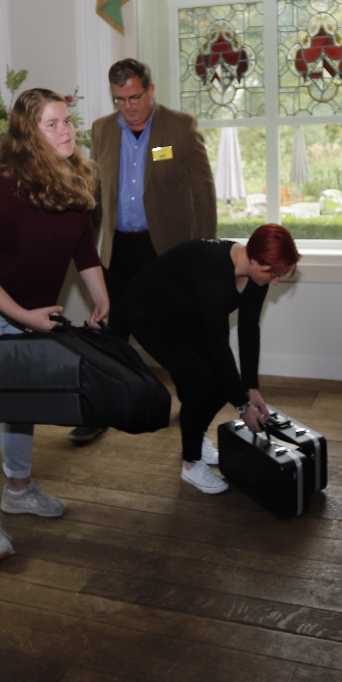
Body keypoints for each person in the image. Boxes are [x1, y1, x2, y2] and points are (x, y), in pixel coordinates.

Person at [0, 87, 110, 565]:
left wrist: (102, 295)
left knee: (20, 400)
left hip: (26, 308)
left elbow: (83, 247)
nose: (66, 131)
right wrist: (22, 316)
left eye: (67, 121)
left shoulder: (78, 176)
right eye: (52, 124)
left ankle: (19, 490)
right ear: (27, 135)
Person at [73, 58, 216, 445]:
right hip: (118, 249)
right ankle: (98, 411)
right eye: (120, 99)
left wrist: (204, 252)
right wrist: (84, 247)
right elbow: (94, 194)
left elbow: (203, 193)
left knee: (178, 333)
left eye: (134, 97)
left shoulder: (180, 127)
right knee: (109, 332)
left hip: (165, 252)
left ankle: (193, 407)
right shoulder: (102, 130)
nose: (128, 107)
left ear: (150, 90)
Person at [123, 224, 299, 494]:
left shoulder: (257, 278)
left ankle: (195, 436)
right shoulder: (213, 272)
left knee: (218, 386)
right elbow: (219, 347)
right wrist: (242, 405)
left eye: (280, 275)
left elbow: (249, 330)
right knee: (203, 387)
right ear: (254, 259)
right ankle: (191, 464)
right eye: (273, 273)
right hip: (150, 314)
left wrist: (251, 388)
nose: (275, 281)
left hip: (187, 312)